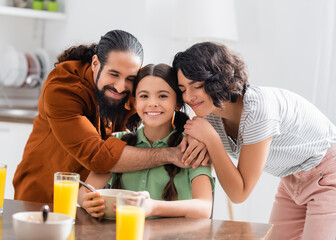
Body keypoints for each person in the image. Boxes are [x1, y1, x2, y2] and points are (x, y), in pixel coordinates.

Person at [172, 42, 336, 239]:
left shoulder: (258, 110)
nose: (189, 97)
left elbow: (240, 193)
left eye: (198, 86)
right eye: (183, 89)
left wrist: (211, 140)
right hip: (292, 178)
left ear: (217, 80)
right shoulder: (209, 113)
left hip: (331, 173)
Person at [13, 29, 207, 204]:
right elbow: (98, 156)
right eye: (113, 74)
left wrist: (193, 133)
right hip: (42, 199)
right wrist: (171, 154)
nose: (121, 86)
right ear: (96, 63)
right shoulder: (62, 88)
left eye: (130, 78)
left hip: (87, 204)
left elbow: (157, 108)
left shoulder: (127, 89)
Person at [78, 64, 214, 219]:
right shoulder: (117, 141)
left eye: (162, 96)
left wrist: (153, 207)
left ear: (177, 103)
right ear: (135, 103)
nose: (152, 103)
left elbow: (204, 207)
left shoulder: (193, 147)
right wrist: (85, 201)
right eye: (144, 96)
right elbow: (84, 192)